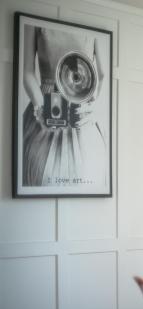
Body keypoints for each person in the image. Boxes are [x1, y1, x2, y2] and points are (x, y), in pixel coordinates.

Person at [22, 25, 107, 187]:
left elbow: (104, 75)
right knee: (40, 172)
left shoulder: (94, 21)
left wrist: (96, 107)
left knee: (89, 174)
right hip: (46, 101)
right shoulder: (33, 22)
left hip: (82, 106)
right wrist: (40, 107)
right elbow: (27, 72)